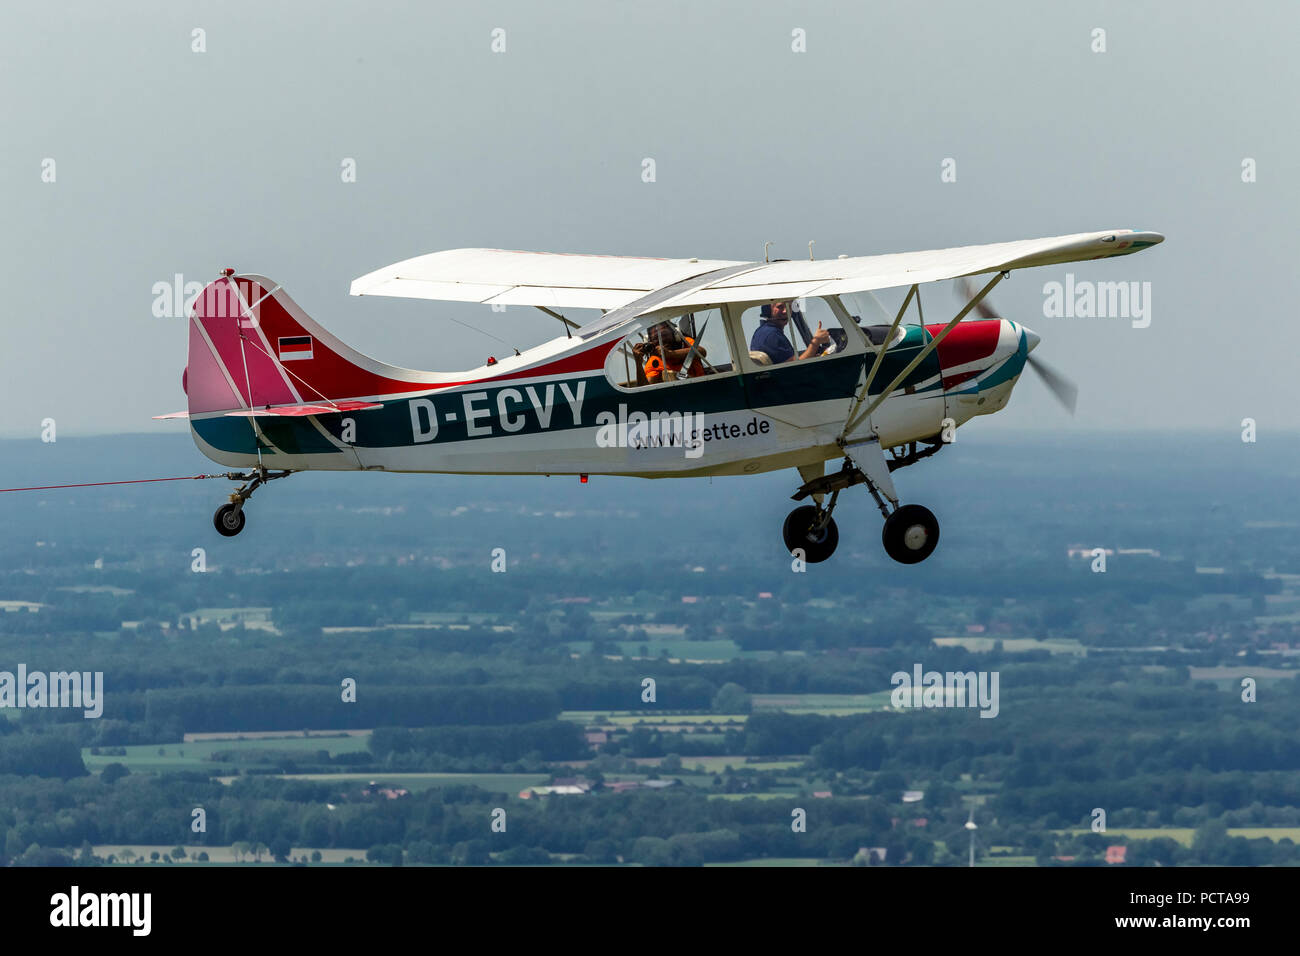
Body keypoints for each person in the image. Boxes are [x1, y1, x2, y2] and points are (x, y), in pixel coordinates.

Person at [750, 300, 830, 364]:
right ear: (768, 311)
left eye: (789, 306)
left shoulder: (764, 331)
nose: (785, 311)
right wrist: (816, 342)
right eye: (780, 307)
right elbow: (794, 366)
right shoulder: (772, 335)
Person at [632, 321, 707, 385]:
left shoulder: (685, 343)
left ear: (676, 335)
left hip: (702, 387)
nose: (662, 341)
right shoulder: (655, 362)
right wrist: (638, 364)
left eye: (665, 335)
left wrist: (670, 354)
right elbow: (645, 390)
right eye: (656, 338)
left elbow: (702, 352)